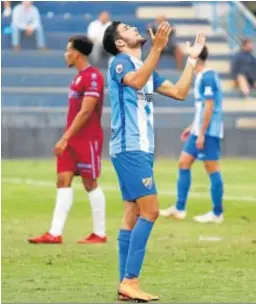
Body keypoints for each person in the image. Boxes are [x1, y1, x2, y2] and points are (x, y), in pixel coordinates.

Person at [103, 21, 206, 302]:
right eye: (126, 28)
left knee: (132, 213)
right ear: (120, 42)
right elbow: (135, 81)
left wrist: (191, 60)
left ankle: (125, 286)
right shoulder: (121, 63)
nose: (133, 28)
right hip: (130, 148)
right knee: (151, 211)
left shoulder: (147, 71)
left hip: (141, 150)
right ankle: (131, 280)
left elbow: (180, 92)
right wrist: (158, 49)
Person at [28, 36, 106, 244]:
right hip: (71, 140)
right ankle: (55, 233)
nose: (65, 54)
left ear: (77, 53)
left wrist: (64, 137)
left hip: (87, 139)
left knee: (90, 183)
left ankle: (99, 233)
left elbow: (86, 112)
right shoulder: (78, 78)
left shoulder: (93, 77)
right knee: (63, 180)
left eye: (67, 50)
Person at [160, 46, 224, 224]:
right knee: (183, 162)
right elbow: (203, 108)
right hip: (199, 130)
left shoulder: (208, 76)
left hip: (209, 132)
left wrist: (202, 133)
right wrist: (193, 127)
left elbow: (210, 107)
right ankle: (179, 208)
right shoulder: (202, 76)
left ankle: (217, 213)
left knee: (212, 168)